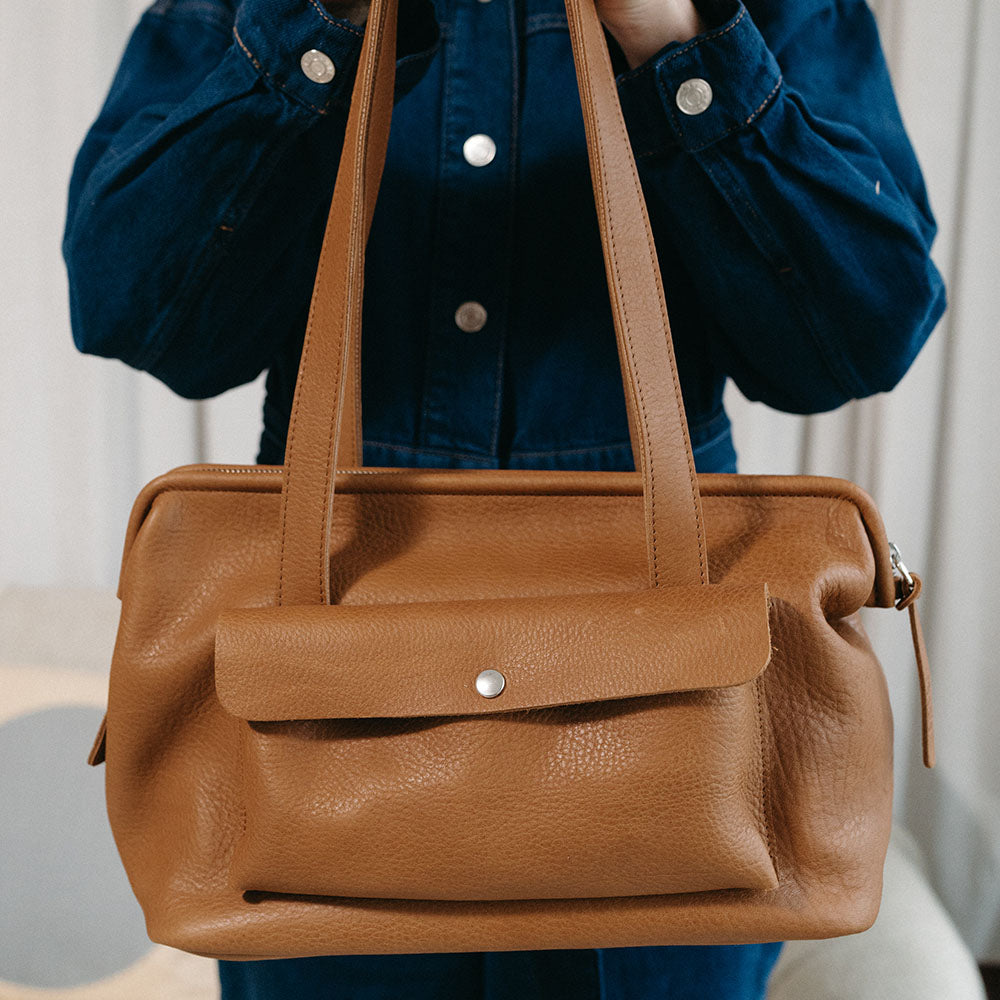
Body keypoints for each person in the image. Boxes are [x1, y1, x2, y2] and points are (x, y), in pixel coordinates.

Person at [63, 0, 945, 995]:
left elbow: (861, 334)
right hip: (325, 742)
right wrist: (316, 36)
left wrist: (678, 45)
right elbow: (134, 309)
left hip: (673, 725)